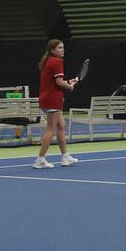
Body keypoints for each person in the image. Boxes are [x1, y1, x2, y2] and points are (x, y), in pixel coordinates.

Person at [33, 39, 79, 168]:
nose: (62, 50)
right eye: (59, 48)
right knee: (50, 128)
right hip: (52, 99)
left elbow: (55, 81)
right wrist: (69, 87)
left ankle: (65, 157)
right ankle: (40, 160)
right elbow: (59, 83)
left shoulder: (48, 61)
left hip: (47, 98)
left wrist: (68, 81)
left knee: (61, 125)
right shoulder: (57, 61)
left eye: (63, 47)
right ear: (52, 50)